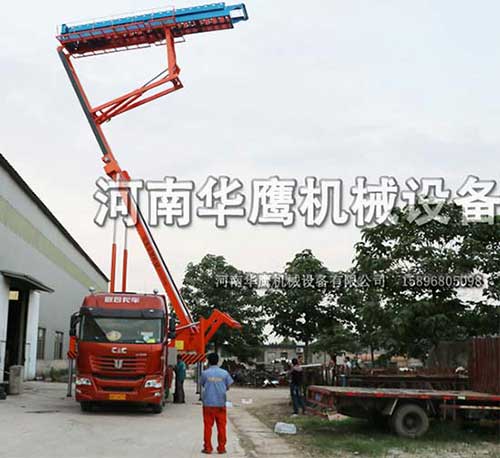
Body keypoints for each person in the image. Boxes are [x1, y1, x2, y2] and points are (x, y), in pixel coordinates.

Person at [201, 353, 234, 454]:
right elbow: (228, 386)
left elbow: (203, 384)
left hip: (208, 404)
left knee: (208, 426)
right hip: (220, 403)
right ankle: (221, 448)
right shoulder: (224, 373)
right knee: (221, 426)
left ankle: (207, 448)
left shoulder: (205, 373)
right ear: (218, 361)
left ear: (208, 361)